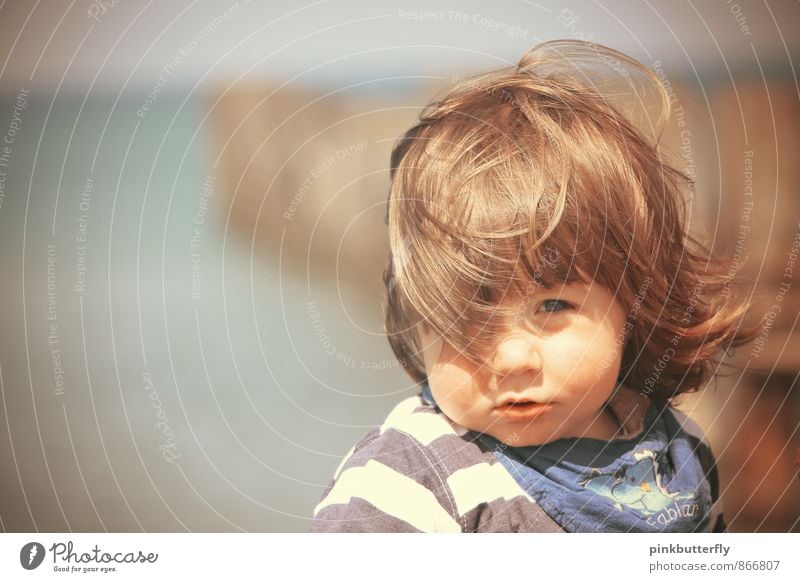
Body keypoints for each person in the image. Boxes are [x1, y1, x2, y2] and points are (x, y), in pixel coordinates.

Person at [308, 40, 759, 533]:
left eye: (553, 305)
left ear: (633, 303)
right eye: (462, 319)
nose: (511, 360)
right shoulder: (405, 484)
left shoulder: (676, 451)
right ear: (413, 319)